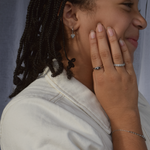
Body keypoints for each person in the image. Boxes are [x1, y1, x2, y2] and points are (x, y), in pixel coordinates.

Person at [0, 0, 150, 149]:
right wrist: (125, 119)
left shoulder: (131, 99)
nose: (142, 22)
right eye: (127, 5)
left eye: (139, 9)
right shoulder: (32, 116)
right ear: (71, 15)